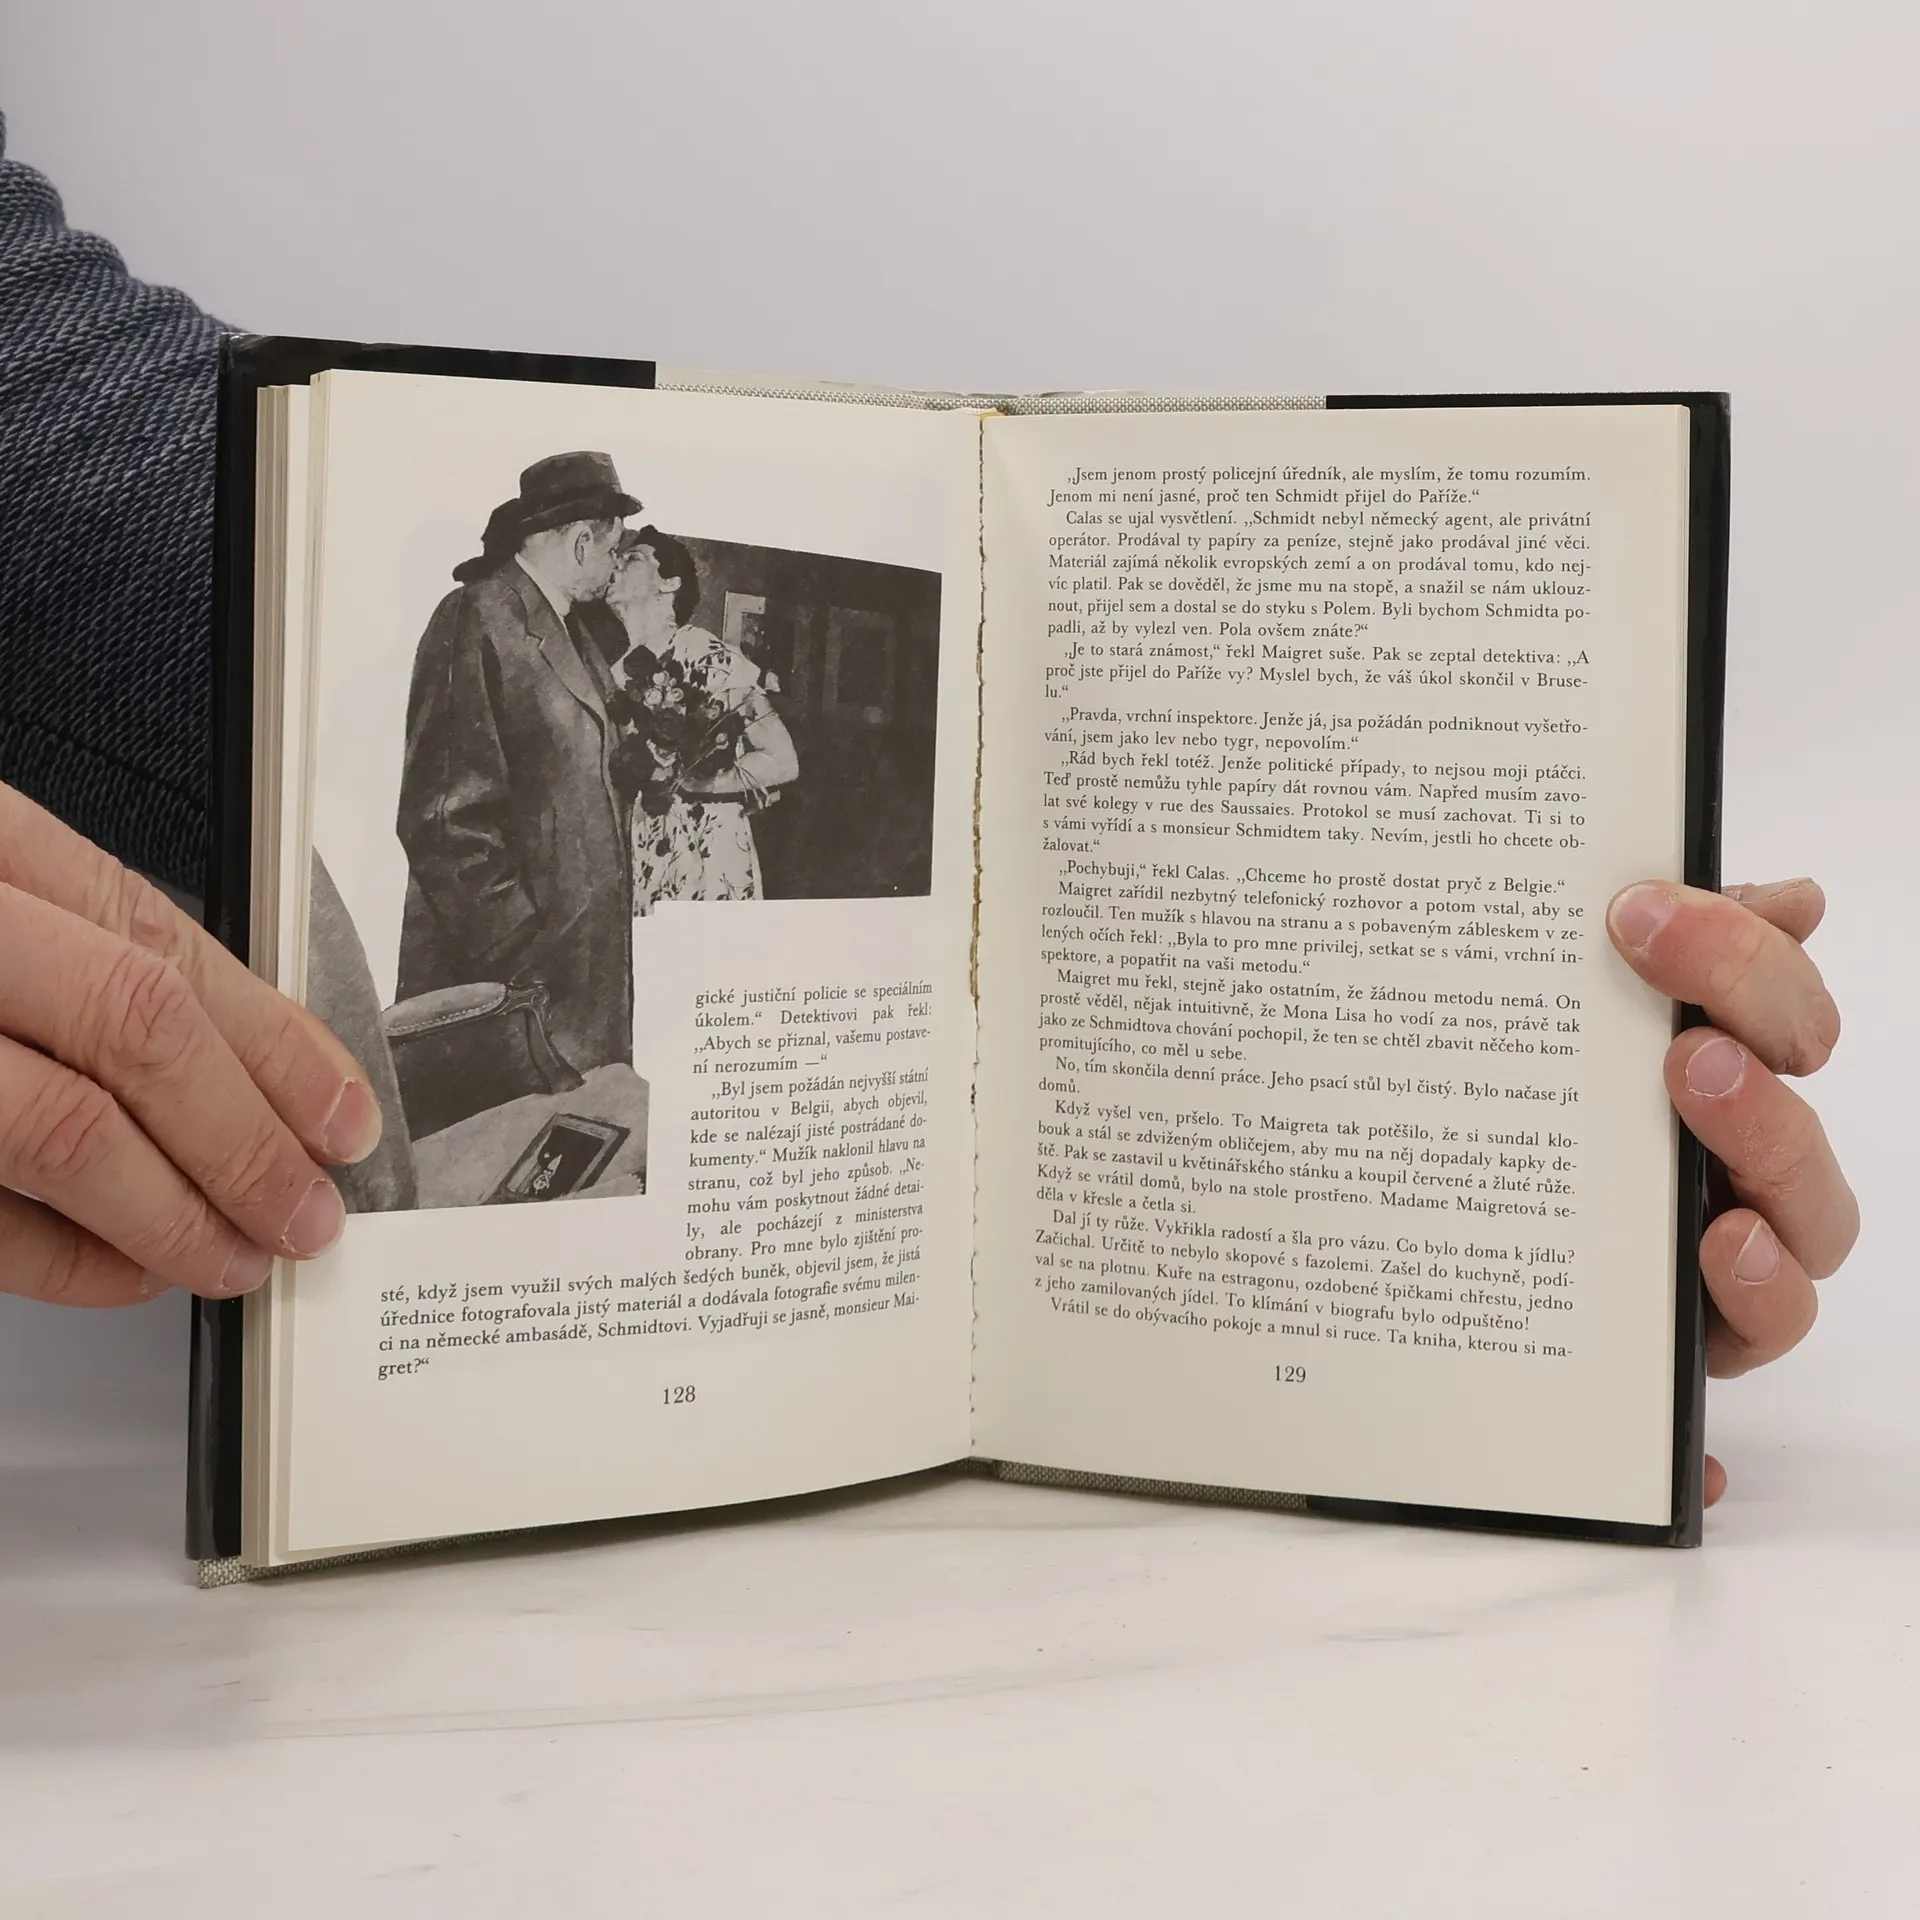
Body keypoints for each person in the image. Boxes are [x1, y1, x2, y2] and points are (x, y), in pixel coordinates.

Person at [0, 114, 1858, 1504]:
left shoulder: (626, 645)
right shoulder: (490, 619)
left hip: (630, 928)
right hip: (532, 983)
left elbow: (729, 771)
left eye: (636, 542)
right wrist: (532, 992)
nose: (627, 554)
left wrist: (1462, 1035)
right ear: (570, 536)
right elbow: (452, 816)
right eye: (611, 532)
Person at [395, 453, 638, 1075]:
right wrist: (519, 955)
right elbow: (443, 820)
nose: (616, 565)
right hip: (509, 995)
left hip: (572, 990)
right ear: (582, 542)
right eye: (614, 549)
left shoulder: (574, 630)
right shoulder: (475, 614)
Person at [602, 527, 798, 913]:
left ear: (669, 583)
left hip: (704, 853)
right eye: (617, 556)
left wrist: (693, 781)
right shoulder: (613, 670)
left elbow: (783, 761)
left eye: (633, 558)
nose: (617, 564)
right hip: (643, 846)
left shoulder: (704, 653)